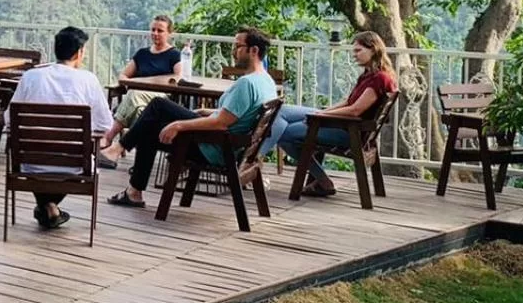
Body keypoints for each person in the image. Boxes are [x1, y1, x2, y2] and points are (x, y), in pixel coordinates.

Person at [107, 27, 277, 208]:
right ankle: (131, 184)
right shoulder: (266, 81)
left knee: (157, 108)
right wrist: (209, 111)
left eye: (238, 47)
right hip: (228, 146)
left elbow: (221, 123)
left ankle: (120, 154)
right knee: (152, 120)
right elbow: (235, 115)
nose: (233, 52)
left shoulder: (247, 84)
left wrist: (179, 125)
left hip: (213, 147)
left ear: (254, 51)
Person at [6, 26, 113, 231]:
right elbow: (105, 124)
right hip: (73, 164)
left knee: (40, 157)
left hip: (29, 161)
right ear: (79, 52)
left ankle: (47, 207)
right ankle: (51, 208)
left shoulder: (30, 77)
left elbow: (8, 119)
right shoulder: (88, 80)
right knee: (72, 156)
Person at [267, 30, 397, 197]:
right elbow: (347, 102)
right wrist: (322, 112)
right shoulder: (370, 75)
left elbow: (355, 110)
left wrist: (321, 117)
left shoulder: (380, 79)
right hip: (347, 127)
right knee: (284, 117)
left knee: (283, 134)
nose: (354, 55)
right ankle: (320, 180)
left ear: (373, 49)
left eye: (358, 50)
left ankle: (323, 181)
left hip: (350, 133)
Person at [96, 14, 183, 168]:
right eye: (153, 30)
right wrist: (132, 83)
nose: (155, 34)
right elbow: (123, 76)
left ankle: (109, 138)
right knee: (140, 110)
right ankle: (138, 165)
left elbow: (176, 78)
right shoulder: (142, 54)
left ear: (169, 33)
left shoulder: (174, 55)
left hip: (160, 99)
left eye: (160, 31)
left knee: (134, 95)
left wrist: (145, 82)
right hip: (138, 102)